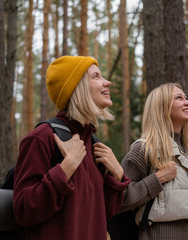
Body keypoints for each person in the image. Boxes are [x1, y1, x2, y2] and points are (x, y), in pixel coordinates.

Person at [13, 56, 130, 240]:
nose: (107, 82)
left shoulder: (94, 146)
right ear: (78, 87)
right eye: (96, 76)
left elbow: (100, 217)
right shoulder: (42, 138)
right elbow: (23, 210)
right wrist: (65, 169)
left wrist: (117, 177)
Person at [119, 83, 188, 240]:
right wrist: (157, 179)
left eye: (186, 97)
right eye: (179, 98)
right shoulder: (144, 149)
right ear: (161, 108)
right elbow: (119, 199)